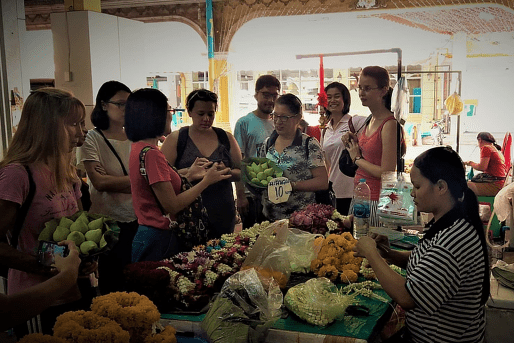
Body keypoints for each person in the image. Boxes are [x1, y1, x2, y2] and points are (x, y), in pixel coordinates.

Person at [354, 146, 490, 343]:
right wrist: (388, 254)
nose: (412, 194)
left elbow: (407, 297)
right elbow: (428, 263)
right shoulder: (452, 222)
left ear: (441, 187)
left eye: (417, 187)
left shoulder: (452, 241)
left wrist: (371, 254)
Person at [0, 88, 97, 337]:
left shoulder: (68, 172)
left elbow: (78, 229)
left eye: (81, 123)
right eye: (73, 124)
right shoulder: (17, 175)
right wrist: (47, 265)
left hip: (75, 291)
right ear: (47, 126)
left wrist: (86, 258)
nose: (80, 131)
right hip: (33, 300)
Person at [125, 88, 231, 262]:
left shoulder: (139, 148)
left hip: (149, 234)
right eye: (169, 110)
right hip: (158, 238)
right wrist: (206, 181)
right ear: (155, 115)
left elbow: (157, 185)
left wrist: (188, 174)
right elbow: (172, 205)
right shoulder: (152, 154)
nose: (171, 115)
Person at [78, 80, 139, 294]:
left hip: (137, 218)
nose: (126, 110)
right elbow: (100, 183)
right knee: (112, 285)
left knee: (137, 282)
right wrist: (137, 180)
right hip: (108, 223)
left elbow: (151, 179)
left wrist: (117, 181)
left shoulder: (135, 137)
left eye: (129, 105)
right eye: (121, 104)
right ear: (104, 105)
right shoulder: (92, 138)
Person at [161, 89, 242, 238]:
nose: (206, 118)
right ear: (189, 112)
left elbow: (242, 173)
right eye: (201, 114)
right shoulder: (177, 139)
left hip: (223, 210)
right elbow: (163, 177)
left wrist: (226, 172)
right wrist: (189, 172)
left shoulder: (226, 138)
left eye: (210, 114)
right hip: (188, 214)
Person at [342, 66, 405, 226]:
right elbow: (372, 152)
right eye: (360, 88)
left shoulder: (389, 124)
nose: (362, 93)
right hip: (361, 196)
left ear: (383, 90)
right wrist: (353, 141)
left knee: (370, 247)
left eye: (368, 88)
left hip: (377, 201)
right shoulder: (369, 119)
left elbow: (387, 171)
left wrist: (356, 158)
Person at [260, 94, 328, 221]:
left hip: (301, 220)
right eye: (275, 116)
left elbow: (322, 182)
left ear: (297, 118)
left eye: (284, 117)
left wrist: (291, 185)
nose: (278, 121)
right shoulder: (267, 144)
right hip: (271, 218)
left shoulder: (309, 144)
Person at [0, 241, 80, 332]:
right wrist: (67, 275)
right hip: (32, 299)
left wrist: (79, 264)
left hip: (68, 295)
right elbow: (5, 313)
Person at [233, 75, 280, 229]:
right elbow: (238, 161)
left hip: (275, 193)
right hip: (251, 194)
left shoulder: (279, 123)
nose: (270, 100)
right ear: (256, 95)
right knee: (252, 241)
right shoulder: (244, 123)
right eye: (266, 95)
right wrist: (240, 195)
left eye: (274, 95)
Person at [321, 82, 366, 215]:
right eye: (328, 97)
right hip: (334, 191)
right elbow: (326, 163)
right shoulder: (325, 130)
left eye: (336, 96)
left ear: (345, 100)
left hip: (354, 189)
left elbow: (377, 121)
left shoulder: (355, 122)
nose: (332, 100)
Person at [464, 132, 508, 196]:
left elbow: (482, 167)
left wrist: (470, 163)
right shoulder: (496, 149)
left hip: (494, 186)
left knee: (462, 186)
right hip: (500, 184)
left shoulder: (486, 148)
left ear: (480, 140)